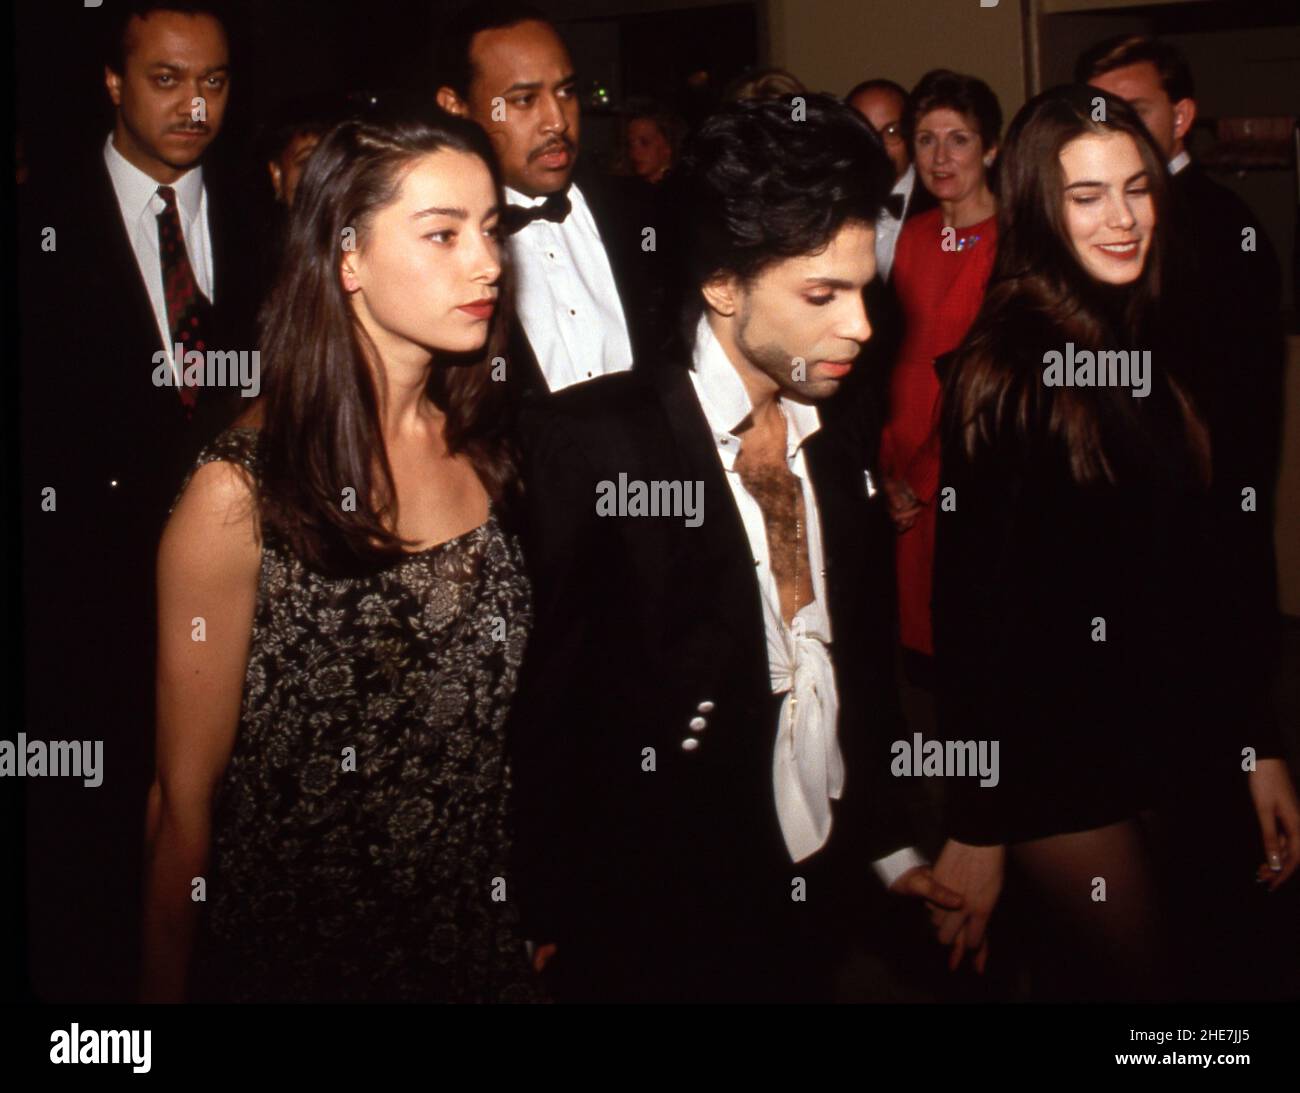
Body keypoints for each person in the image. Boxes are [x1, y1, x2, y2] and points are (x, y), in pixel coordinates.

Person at [509, 94, 962, 1003]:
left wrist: (887, 843)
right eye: (820, 295)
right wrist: (545, 905)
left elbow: (857, 671)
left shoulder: (838, 440)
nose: (862, 326)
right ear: (722, 285)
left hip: (816, 885)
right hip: (660, 909)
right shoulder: (600, 443)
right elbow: (550, 701)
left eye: (862, 289)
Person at [140, 108, 541, 1003]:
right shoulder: (238, 493)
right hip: (305, 952)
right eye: (442, 234)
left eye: (490, 229)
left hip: (473, 936)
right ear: (347, 257)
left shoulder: (481, 442)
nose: (484, 263)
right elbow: (181, 804)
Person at [930, 85, 1299, 1001]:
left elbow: (1203, 575)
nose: (1124, 218)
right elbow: (974, 618)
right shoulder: (1008, 369)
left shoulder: (1150, 333)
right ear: (1037, 207)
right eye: (1087, 196)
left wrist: (1256, 744)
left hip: (1169, 736)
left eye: (1136, 188)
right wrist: (978, 824)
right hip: (1057, 768)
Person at [19, 0, 259, 1002]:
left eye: (213, 81)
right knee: (92, 872)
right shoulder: (39, 227)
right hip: (82, 621)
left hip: (240, 606)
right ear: (114, 84)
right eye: (167, 80)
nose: (195, 105)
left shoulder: (266, 218)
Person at [435, 2, 663, 396]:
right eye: (524, 100)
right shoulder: (432, 252)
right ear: (457, 109)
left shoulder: (642, 211)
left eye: (566, 92)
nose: (557, 120)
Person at [881, 69, 1001, 673]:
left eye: (958, 138)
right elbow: (890, 354)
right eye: (925, 138)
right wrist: (886, 464)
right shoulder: (916, 235)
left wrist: (923, 477)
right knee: (906, 637)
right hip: (897, 447)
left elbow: (989, 383)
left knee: (971, 632)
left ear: (991, 148)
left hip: (970, 456)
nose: (940, 155)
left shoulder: (1014, 242)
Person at [846, 78, 937, 282]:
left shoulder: (943, 206)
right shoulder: (829, 209)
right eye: (864, 132)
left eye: (891, 132)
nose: (877, 145)